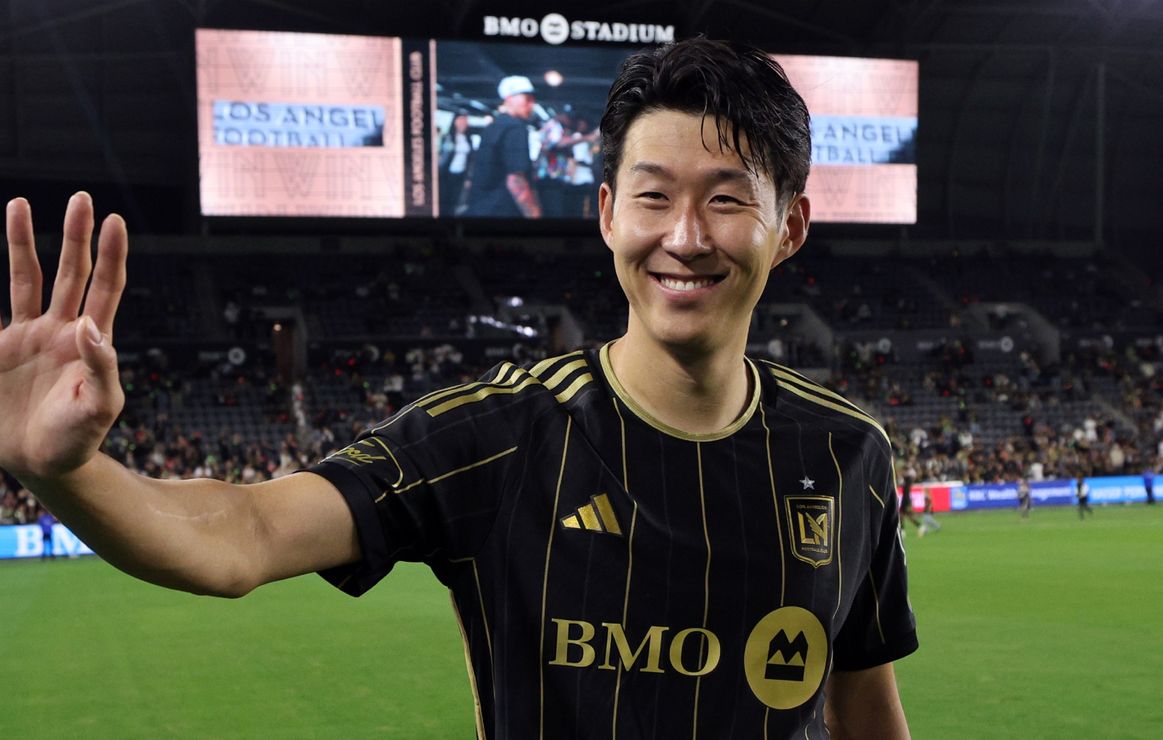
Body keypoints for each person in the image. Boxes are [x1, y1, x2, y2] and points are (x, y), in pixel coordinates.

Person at [0, 38, 915, 738]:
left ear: (789, 226)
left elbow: (867, 708)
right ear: (605, 215)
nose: (684, 235)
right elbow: (246, 533)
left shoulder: (848, 453)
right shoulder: (500, 434)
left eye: (726, 198)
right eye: (651, 196)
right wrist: (62, 474)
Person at [464, 75, 542, 219]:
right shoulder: (516, 128)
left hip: (480, 210)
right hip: (503, 213)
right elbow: (515, 179)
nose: (532, 104)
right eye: (527, 98)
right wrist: (533, 214)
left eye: (532, 98)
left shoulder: (493, 127)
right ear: (509, 98)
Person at [437, 110, 474, 216]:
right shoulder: (447, 138)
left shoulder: (468, 139)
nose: (463, 123)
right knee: (444, 199)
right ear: (455, 122)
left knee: (455, 200)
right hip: (446, 174)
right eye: (461, 120)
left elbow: (471, 159)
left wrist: (468, 177)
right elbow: (442, 156)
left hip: (460, 174)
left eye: (465, 121)